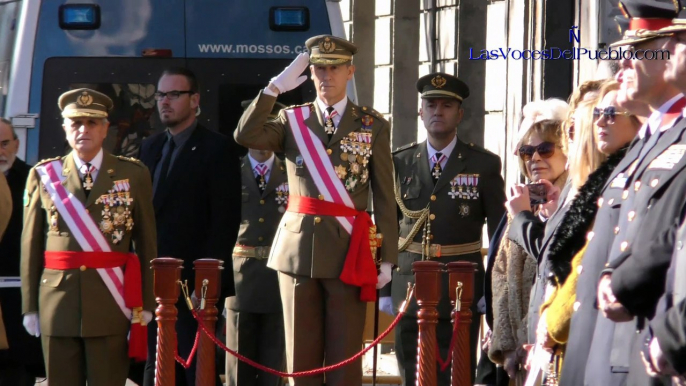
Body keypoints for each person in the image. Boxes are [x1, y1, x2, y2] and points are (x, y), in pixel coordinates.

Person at [235, 35, 397, 386]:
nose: (326, 75)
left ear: (350, 71)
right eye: (319, 68)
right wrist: (274, 88)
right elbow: (245, 135)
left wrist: (387, 258)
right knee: (300, 362)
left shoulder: (372, 125)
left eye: (334, 68)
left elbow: (385, 195)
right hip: (298, 251)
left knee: (344, 362)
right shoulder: (291, 119)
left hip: (348, 252)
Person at [20, 88, 157, 385]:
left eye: (92, 122)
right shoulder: (44, 175)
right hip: (58, 301)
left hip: (111, 301)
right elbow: (30, 247)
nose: (84, 130)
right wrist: (30, 305)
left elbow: (147, 243)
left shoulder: (133, 174)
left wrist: (145, 303)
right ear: (65, 128)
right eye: (76, 122)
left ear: (106, 128)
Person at [583, 1, 686, 384]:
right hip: (616, 338)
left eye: (637, 52)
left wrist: (620, 283)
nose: (623, 66)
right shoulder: (652, 137)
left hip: (649, 337)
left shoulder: (676, 136)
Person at [389, 72, 506, 385]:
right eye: (430, 104)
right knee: (411, 372)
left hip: (462, 287)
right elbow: (386, 226)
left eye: (446, 105)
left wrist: (491, 290)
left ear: (460, 113)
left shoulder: (483, 165)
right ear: (420, 111)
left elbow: (498, 233)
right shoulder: (399, 162)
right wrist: (385, 283)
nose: (437, 111)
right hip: (409, 283)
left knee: (456, 373)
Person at [139, 67, 242, 386]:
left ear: (194, 99)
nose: (164, 102)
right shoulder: (150, 147)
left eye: (173, 94)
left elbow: (224, 221)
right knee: (154, 366)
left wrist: (208, 282)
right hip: (153, 283)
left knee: (193, 367)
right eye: (160, 95)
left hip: (192, 287)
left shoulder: (217, 149)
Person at [536, 80, 641, 380]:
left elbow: (591, 260)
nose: (601, 122)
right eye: (597, 115)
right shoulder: (590, 188)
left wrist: (553, 319)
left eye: (610, 113)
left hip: (600, 338)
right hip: (568, 341)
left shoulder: (619, 179)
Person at [489, 119, 569, 378]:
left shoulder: (575, 193)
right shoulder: (521, 200)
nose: (534, 157)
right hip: (520, 349)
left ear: (567, 149)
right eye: (526, 151)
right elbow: (501, 273)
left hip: (555, 341)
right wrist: (507, 346)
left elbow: (556, 261)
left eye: (545, 149)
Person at [225, 101, 287, 386]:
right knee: (240, 365)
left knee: (275, 365)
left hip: (279, 276)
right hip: (240, 279)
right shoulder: (229, 173)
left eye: (269, 128)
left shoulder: (292, 173)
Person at [0, 118, 44, 385]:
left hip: (18, 300)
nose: (0, 151)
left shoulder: (33, 179)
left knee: (18, 375)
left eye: (4, 144)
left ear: (16, 144)